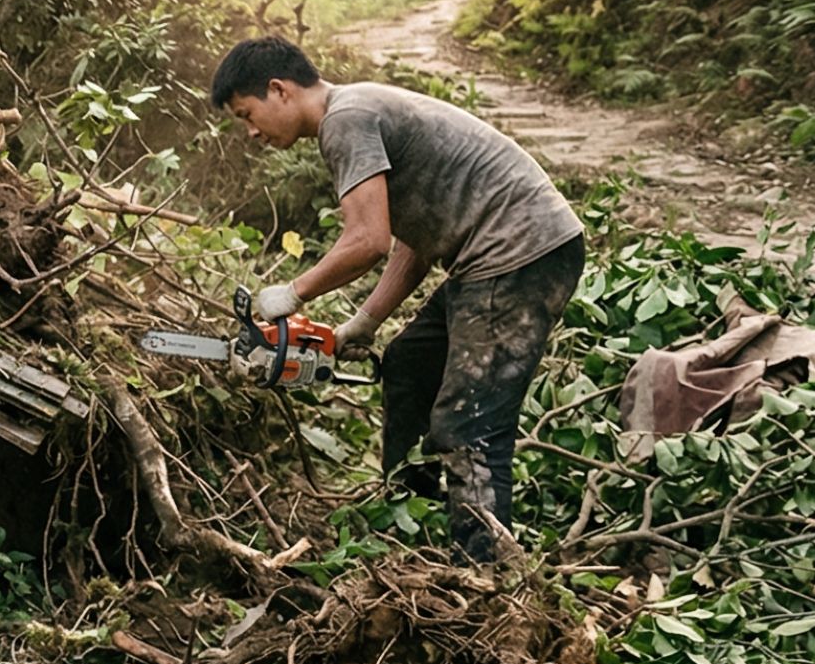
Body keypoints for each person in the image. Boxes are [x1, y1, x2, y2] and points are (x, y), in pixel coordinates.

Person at [210, 36, 586, 559]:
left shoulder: (345, 120)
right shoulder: (356, 110)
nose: (250, 131)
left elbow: (368, 241)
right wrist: (365, 321)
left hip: (520, 252)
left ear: (279, 90)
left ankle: (487, 577)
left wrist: (292, 294)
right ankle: (408, 521)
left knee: (468, 423)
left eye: (248, 114)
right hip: (498, 254)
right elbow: (414, 235)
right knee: (408, 364)